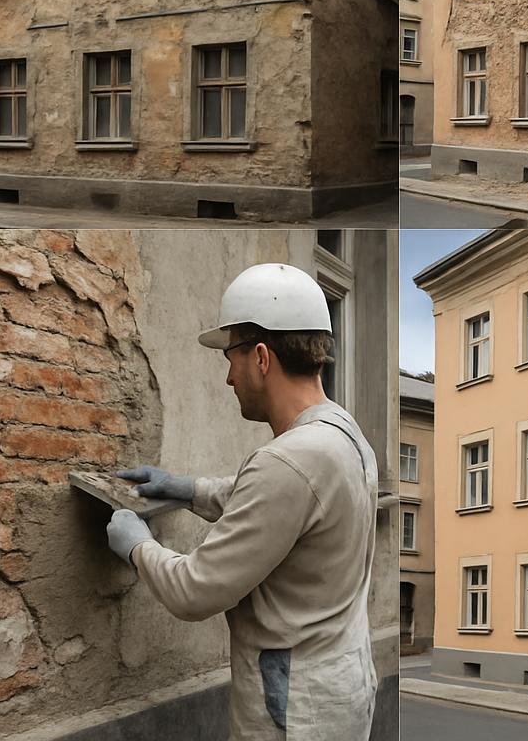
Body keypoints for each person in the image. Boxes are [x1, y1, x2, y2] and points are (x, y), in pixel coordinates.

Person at [106, 263, 378, 741]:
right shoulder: (342, 434)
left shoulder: (291, 460)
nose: (229, 378)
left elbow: (194, 591)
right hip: (336, 689)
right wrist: (185, 487)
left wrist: (135, 544)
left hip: (293, 712)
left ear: (260, 357)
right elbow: (273, 502)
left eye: (230, 358)